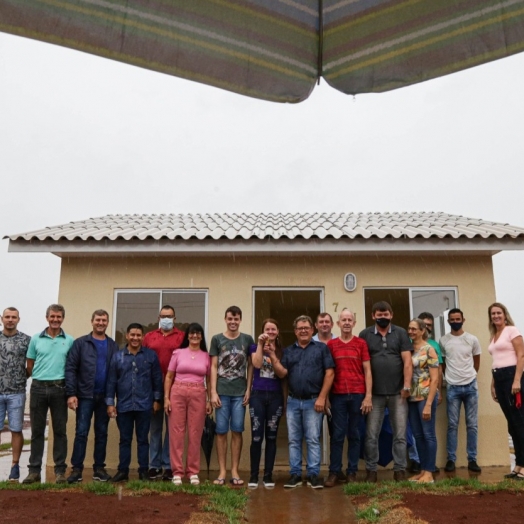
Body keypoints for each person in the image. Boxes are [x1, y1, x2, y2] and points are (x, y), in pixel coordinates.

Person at [268, 315, 335, 489]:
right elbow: (282, 373)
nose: (303, 330)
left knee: (313, 439)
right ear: (295, 331)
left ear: (312, 330)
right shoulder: (290, 351)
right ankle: (295, 475)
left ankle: (313, 475)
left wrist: (322, 397)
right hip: (292, 402)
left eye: (306, 327)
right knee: (294, 440)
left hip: (314, 401)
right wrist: (272, 357)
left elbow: (330, 373)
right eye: (300, 328)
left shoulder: (321, 349)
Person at [359, 301, 413, 482]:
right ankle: (371, 471)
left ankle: (399, 470)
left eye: (386, 315)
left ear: (391, 315)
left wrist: (406, 386)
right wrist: (366, 393)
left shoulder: (401, 333)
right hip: (374, 395)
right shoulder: (365, 334)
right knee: (371, 434)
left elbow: (407, 361)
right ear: (373, 316)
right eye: (379, 315)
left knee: (400, 434)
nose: (383, 318)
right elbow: (363, 365)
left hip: (398, 393)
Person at [65, 309, 119, 483]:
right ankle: (76, 470)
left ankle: (99, 469)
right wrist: (71, 393)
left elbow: (116, 373)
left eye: (104, 320)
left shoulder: (113, 345)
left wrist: (112, 399)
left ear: (107, 323)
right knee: (81, 432)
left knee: (102, 433)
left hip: (105, 397)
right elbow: (71, 368)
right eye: (98, 320)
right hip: (85, 395)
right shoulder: (81, 343)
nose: (101, 323)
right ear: (92, 321)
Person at [23, 304, 74, 484]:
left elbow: (72, 366)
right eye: (52, 316)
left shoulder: (69, 340)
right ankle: (34, 471)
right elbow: (30, 364)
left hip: (60, 389)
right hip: (38, 388)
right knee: (37, 431)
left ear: (63, 318)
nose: (55, 320)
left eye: (58, 317)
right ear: (47, 318)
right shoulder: (36, 339)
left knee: (60, 431)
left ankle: (60, 471)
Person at [106, 323, 163, 482]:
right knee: (124, 439)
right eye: (132, 335)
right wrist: (110, 403)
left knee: (143, 439)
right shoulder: (118, 356)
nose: (135, 338)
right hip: (124, 405)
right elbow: (111, 381)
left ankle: (143, 471)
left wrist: (157, 400)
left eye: (138, 335)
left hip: (145, 405)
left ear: (143, 337)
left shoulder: (150, 356)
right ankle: (123, 471)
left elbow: (157, 379)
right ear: (127, 336)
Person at [325, 309, 372, 487]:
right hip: (337, 395)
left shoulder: (361, 344)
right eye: (343, 319)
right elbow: (328, 372)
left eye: (349, 320)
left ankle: (352, 472)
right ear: (338, 324)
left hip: (358, 394)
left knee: (355, 434)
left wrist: (368, 396)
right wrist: (327, 397)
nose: (346, 322)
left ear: (354, 323)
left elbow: (367, 370)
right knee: (337, 435)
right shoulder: (331, 344)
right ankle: (334, 472)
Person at [209, 306, 255, 486]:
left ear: (240, 320)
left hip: (240, 393)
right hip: (221, 392)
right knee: (220, 432)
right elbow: (213, 366)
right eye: (230, 319)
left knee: (237, 431)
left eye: (236, 319)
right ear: (225, 319)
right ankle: (222, 471)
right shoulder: (217, 339)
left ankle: (234, 470)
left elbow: (251, 366)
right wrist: (212, 391)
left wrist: (249, 389)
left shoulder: (247, 339)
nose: (233, 322)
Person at [164, 323, 212, 486]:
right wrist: (166, 398)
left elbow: (210, 380)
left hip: (198, 393)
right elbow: (169, 376)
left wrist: (209, 400)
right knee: (176, 432)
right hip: (177, 392)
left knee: (195, 432)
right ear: (188, 335)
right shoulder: (178, 353)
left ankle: (193, 472)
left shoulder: (206, 356)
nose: (195, 336)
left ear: (201, 336)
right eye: (192, 333)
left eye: (198, 333)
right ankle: (177, 471)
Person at [143, 305, 184, 481]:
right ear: (158, 317)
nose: (166, 319)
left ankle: (168, 465)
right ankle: (154, 465)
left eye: (169, 316)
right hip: (153, 388)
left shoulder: (182, 337)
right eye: (163, 316)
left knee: (172, 430)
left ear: (175, 318)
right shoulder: (149, 337)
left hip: (176, 389)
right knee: (155, 428)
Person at [439, 308, 482, 473]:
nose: (455, 321)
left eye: (458, 318)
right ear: (448, 321)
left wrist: (470, 376)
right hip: (452, 388)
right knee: (452, 424)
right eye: (452, 319)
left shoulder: (472, 339)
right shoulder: (443, 341)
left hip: (471, 386)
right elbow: (442, 364)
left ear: (463, 319)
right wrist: (449, 378)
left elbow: (476, 361)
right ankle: (451, 459)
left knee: (472, 425)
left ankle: (472, 459)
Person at [487, 303, 524, 480]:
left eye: (498, 313)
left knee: (519, 421)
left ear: (504, 314)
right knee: (511, 423)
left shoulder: (512, 331)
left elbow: (521, 355)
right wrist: (493, 383)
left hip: (512, 377)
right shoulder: (494, 336)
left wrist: (517, 380)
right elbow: (497, 360)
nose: (496, 316)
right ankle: (518, 464)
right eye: (493, 313)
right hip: (499, 377)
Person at [248, 318, 284, 489]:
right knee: (256, 437)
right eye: (267, 329)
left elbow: (282, 374)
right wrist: (261, 345)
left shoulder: (283, 351)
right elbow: (256, 364)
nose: (270, 332)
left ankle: (268, 475)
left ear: (277, 332)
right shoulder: (255, 347)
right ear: (262, 331)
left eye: (273, 329)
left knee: (271, 437)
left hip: (275, 396)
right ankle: (254, 475)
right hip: (257, 395)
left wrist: (273, 354)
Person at [0, 307, 31, 482]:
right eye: (7, 317)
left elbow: (31, 364)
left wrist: (20, 378)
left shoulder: (26, 340)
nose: (10, 320)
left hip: (17, 393)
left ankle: (14, 466)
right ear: (1, 319)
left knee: (16, 429)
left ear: (19, 319)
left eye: (14, 317)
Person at [406, 318, 439, 483]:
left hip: (425, 396)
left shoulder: (429, 350)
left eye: (414, 329)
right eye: (409, 329)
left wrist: (428, 404)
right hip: (412, 397)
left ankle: (430, 472)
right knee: (418, 436)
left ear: (422, 330)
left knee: (428, 435)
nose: (411, 332)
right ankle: (422, 470)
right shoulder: (408, 348)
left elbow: (435, 379)